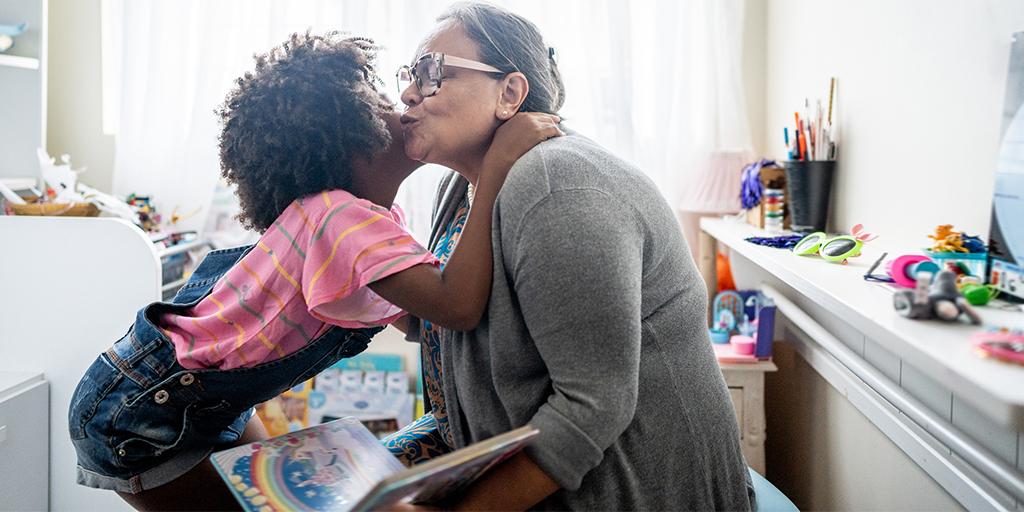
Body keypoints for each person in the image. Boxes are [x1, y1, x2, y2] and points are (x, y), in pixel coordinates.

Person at [67, 31, 560, 511]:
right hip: (143, 409)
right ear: (347, 140)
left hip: (199, 400)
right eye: (382, 104)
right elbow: (454, 305)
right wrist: (498, 165)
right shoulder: (338, 221)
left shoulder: (365, 224)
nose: (405, 104)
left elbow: (421, 319)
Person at [385, 3, 755, 510]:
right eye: (409, 74)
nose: (407, 92)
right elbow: (450, 334)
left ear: (510, 93)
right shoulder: (461, 189)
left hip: (634, 493)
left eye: (432, 73)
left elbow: (591, 405)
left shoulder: (559, 186)